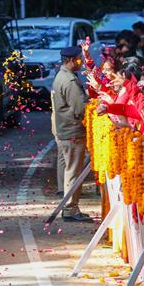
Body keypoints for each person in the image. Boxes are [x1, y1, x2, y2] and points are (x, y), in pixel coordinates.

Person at [50, 45, 92, 222]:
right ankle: (70, 209)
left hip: (65, 130)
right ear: (71, 60)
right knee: (73, 171)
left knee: (71, 169)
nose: (80, 62)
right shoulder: (69, 81)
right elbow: (80, 108)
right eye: (78, 59)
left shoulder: (61, 76)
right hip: (72, 130)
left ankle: (71, 207)